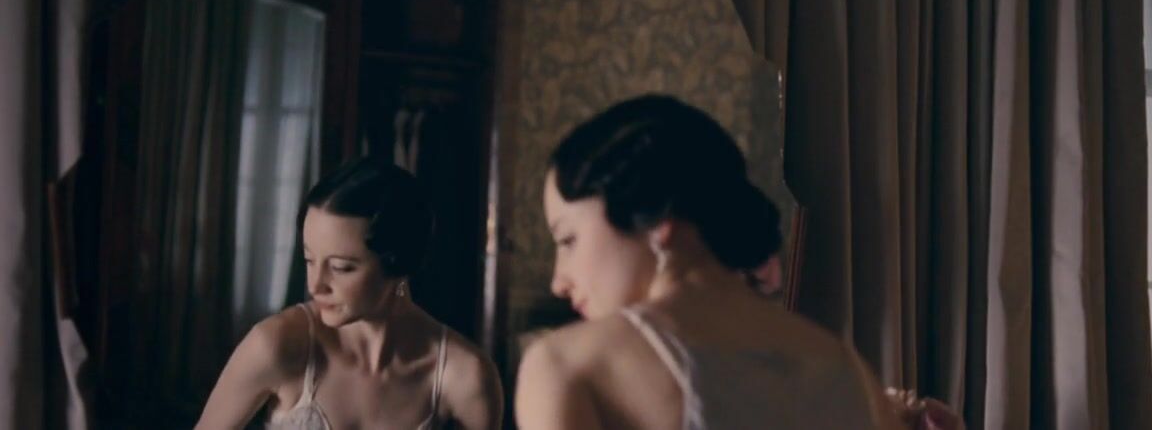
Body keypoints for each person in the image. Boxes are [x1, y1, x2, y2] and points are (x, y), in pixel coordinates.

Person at [514, 95, 901, 430]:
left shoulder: (568, 366)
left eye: (568, 240)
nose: (559, 282)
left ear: (656, 220)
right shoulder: (849, 370)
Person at [196, 159, 502, 429]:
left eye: (340, 267)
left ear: (399, 264)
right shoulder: (277, 345)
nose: (316, 285)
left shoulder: (465, 376)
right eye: (309, 260)